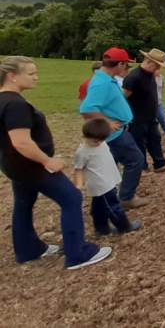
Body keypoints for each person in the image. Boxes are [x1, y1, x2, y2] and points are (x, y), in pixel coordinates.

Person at [0, 55, 112, 270]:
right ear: (12, 76)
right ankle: (77, 254)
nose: (36, 77)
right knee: (71, 198)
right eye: (31, 73)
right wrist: (48, 161)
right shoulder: (15, 105)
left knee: (23, 204)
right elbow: (21, 142)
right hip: (31, 166)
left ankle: (28, 250)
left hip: (14, 166)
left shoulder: (3, 100)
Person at [80, 47, 148, 210]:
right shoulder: (101, 83)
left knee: (109, 167)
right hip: (114, 134)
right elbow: (87, 108)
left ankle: (104, 203)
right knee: (136, 160)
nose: (128, 69)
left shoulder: (106, 79)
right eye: (126, 65)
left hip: (117, 132)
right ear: (120, 64)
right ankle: (126, 197)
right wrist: (108, 122)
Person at [73, 118, 142, 236]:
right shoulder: (83, 152)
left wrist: (110, 126)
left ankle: (101, 228)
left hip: (109, 180)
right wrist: (78, 185)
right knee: (113, 207)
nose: (98, 143)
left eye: (101, 140)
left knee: (98, 208)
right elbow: (78, 169)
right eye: (95, 141)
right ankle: (124, 226)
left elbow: (103, 128)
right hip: (101, 185)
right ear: (85, 136)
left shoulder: (101, 141)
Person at [123, 48, 165, 172]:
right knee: (139, 142)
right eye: (157, 66)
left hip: (150, 116)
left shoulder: (150, 75)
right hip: (137, 117)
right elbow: (123, 98)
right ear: (149, 62)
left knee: (155, 139)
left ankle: (159, 163)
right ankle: (142, 166)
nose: (158, 69)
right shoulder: (134, 77)